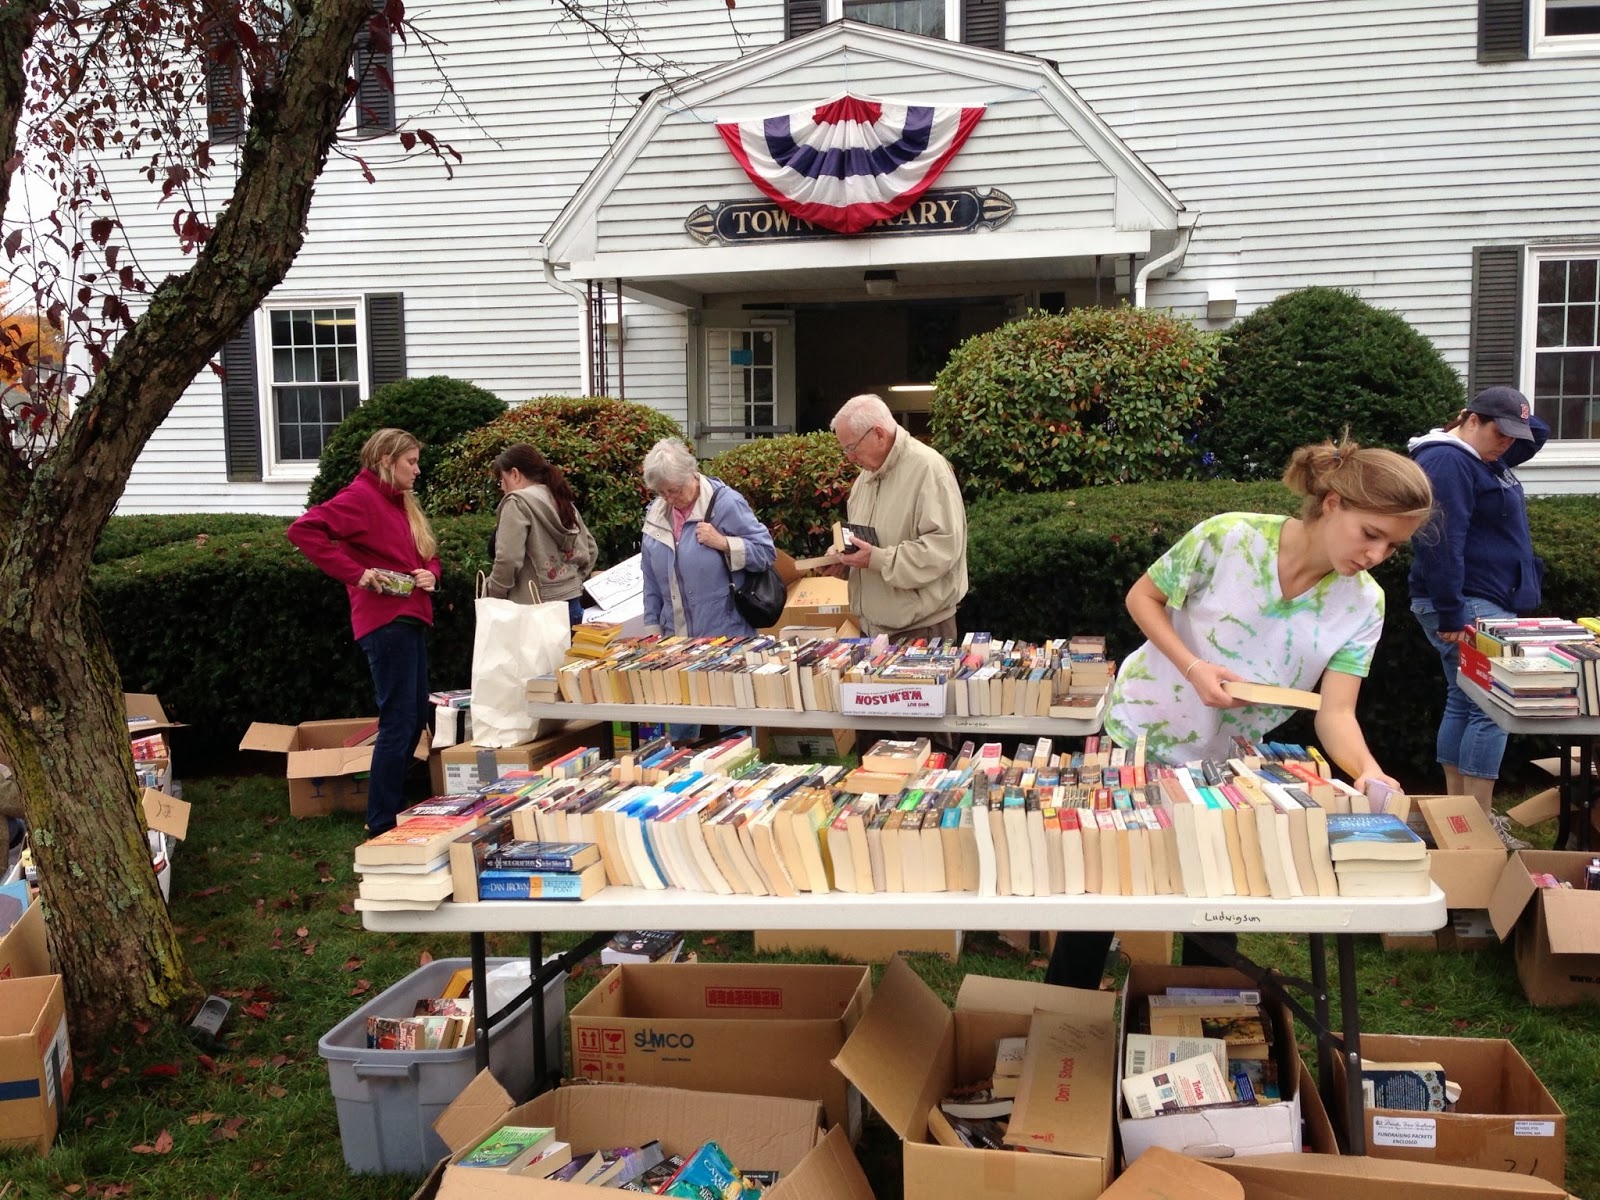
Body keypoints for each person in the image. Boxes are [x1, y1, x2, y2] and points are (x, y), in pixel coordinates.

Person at [1045, 436, 1434, 989]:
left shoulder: (1365, 603)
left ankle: (1190, 1043)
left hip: (1228, 770)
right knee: (1101, 893)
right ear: (1331, 504)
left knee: (1214, 908)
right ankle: (1065, 1029)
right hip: (1132, 736)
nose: (1376, 556)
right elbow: (1142, 597)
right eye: (1372, 534)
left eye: (1394, 547)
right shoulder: (1230, 537)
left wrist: (1366, 770)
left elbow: (1336, 712)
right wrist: (1191, 666)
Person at [1408, 386, 1549, 844]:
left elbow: (1535, 435)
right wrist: (1453, 612)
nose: (1508, 443)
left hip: (1475, 600)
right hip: (1467, 602)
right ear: (1469, 419)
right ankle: (1479, 826)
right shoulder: (1449, 461)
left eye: (1514, 435)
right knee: (1494, 707)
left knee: (1466, 700)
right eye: (1499, 432)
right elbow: (1439, 540)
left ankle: (1457, 820)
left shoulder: (1483, 459)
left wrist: (1516, 417)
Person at [288, 428, 441, 837]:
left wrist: (431, 573)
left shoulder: (400, 502)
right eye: (411, 462)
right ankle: (381, 822)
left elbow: (428, 554)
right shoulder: (360, 497)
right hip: (386, 623)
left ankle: (391, 812)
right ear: (387, 462)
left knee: (412, 723)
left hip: (411, 617)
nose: (417, 469)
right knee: (399, 721)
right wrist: (357, 575)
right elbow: (303, 531)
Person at [830, 393, 968, 641]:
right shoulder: (865, 477)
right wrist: (844, 554)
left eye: (851, 447)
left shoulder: (928, 468)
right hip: (873, 629)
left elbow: (943, 549)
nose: (849, 457)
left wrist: (878, 559)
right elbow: (868, 537)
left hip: (921, 629)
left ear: (879, 434)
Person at [640, 437, 777, 639]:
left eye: (674, 491)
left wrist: (724, 543)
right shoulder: (656, 515)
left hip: (726, 638)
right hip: (676, 643)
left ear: (690, 475)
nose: (669, 499)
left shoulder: (726, 504)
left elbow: (766, 552)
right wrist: (651, 630)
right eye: (662, 493)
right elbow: (650, 580)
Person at [485, 444, 598, 627]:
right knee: (572, 656)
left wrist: (494, 594)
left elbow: (508, 558)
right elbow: (590, 548)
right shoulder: (560, 499)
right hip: (572, 605)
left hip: (533, 610)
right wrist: (571, 582)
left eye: (502, 481)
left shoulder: (517, 503)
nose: (503, 488)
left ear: (515, 474)